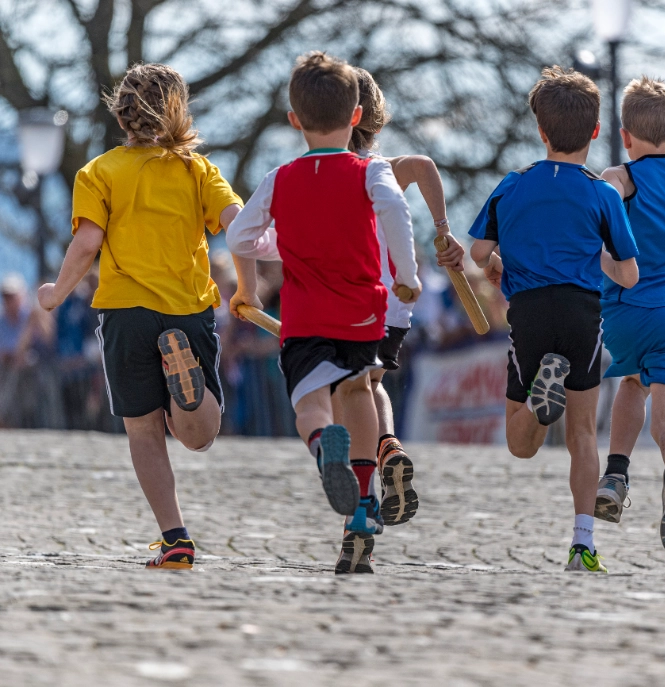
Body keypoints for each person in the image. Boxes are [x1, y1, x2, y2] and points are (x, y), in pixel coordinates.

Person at [37, 63, 243, 570]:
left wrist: (56, 293)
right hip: (188, 308)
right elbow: (237, 222)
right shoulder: (197, 170)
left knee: (144, 432)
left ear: (121, 114)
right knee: (199, 435)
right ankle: (187, 387)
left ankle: (175, 540)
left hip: (126, 311)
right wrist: (253, 279)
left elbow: (88, 242)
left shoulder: (100, 171)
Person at [226, 52, 420, 574]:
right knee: (359, 394)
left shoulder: (281, 177)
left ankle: (320, 448)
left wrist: (252, 282)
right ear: (357, 115)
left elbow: (240, 235)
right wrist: (407, 272)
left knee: (311, 406)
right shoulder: (370, 170)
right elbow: (396, 210)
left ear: (294, 119)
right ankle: (361, 503)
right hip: (363, 314)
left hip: (305, 320)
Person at [469, 66, 639, 573]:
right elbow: (629, 275)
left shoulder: (513, 185)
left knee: (521, 446)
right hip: (582, 314)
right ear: (595, 130)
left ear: (540, 130)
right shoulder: (603, 193)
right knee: (583, 434)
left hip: (530, 313)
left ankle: (540, 407)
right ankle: (582, 544)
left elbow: (480, 251)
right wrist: (601, 263)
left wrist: (499, 264)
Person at [333, 67, 464, 573]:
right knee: (373, 384)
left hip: (349, 301)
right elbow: (427, 165)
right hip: (395, 303)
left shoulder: (333, 172)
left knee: (348, 396)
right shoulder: (387, 168)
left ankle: (361, 501)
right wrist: (442, 230)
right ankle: (388, 448)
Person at [593, 77, 665, 556]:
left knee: (631, 381)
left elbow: (607, 191)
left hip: (628, 314)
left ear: (626, 137)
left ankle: (614, 477)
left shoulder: (624, 176)